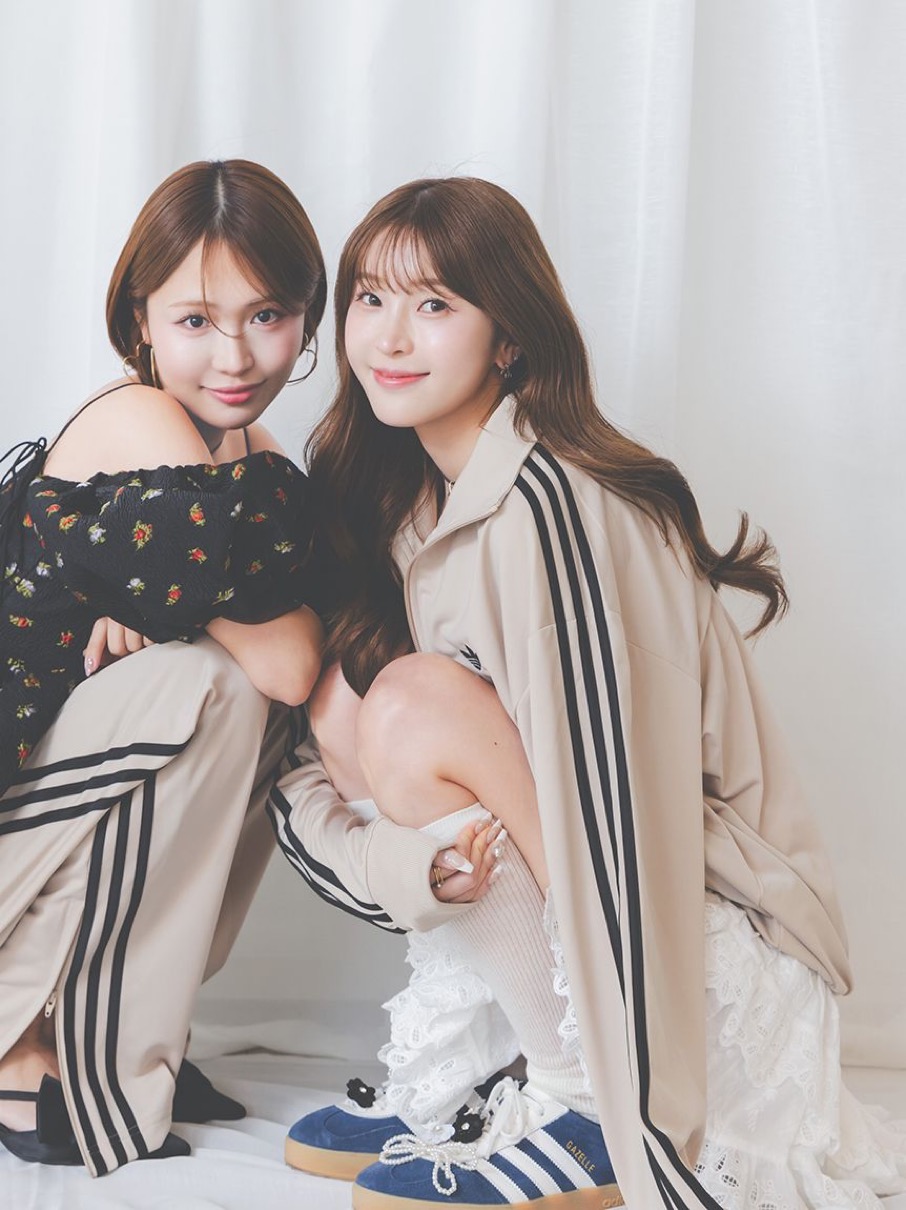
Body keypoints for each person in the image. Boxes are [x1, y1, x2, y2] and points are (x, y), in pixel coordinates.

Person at [273, 176, 906, 1209]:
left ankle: (577, 1103)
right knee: (347, 697)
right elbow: (316, 771)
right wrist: (401, 866)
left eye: (435, 303)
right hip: (586, 917)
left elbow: (618, 820)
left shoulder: (554, 508)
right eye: (371, 298)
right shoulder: (407, 496)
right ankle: (478, 1068)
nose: (389, 335)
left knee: (411, 702)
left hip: (690, 942)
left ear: (508, 339)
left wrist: (629, 1108)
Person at [0, 159, 326, 1174]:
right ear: (140, 319)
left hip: (45, 810)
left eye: (266, 315)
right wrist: (198, 620)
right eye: (195, 320)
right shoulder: (141, 421)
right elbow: (287, 655)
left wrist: (173, 607)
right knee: (207, 685)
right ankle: (27, 1034)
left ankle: (115, 1027)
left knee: (247, 698)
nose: (234, 354)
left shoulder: (247, 445)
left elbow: (311, 655)